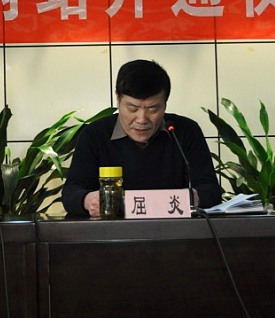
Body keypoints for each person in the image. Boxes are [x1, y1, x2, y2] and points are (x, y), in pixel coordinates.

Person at [62, 60, 222, 217]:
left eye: (153, 109)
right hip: (112, 231)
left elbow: (210, 191)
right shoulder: (95, 134)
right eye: (132, 108)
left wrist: (193, 197)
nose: (142, 119)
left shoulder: (185, 131)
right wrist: (88, 200)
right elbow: (71, 193)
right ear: (118, 98)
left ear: (165, 103)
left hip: (174, 230)